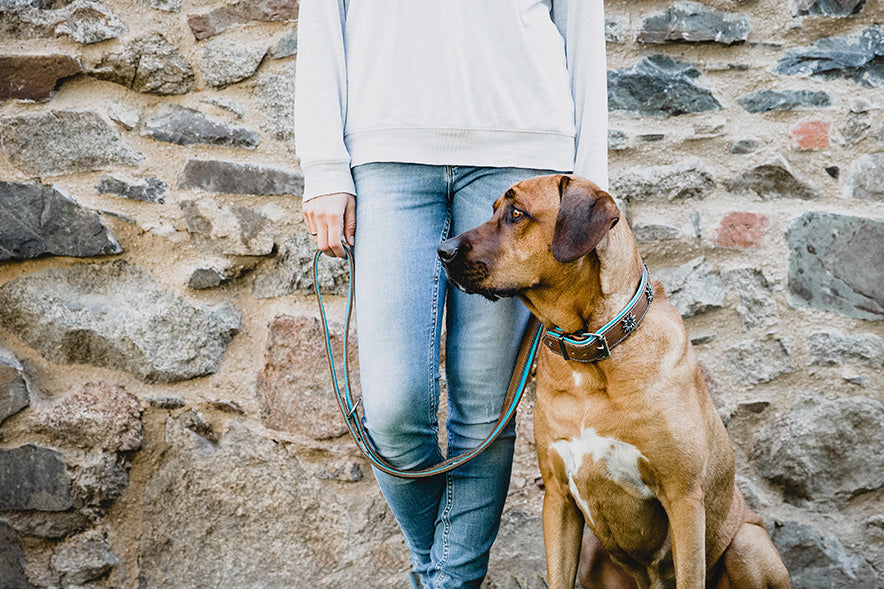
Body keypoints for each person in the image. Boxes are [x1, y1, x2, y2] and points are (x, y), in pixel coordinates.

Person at [295, 2, 608, 587]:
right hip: (387, 153)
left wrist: (589, 182)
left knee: (484, 412)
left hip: (521, 148)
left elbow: (582, 30)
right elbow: (320, 19)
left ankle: (446, 581)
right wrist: (323, 166)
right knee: (392, 411)